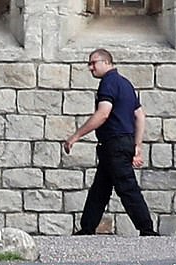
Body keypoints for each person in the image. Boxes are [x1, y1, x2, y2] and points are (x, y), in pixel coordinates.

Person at [64, 49, 158, 236]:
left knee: (127, 187)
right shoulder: (125, 84)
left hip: (114, 144)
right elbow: (139, 116)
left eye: (93, 63)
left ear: (106, 62)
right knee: (100, 188)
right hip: (118, 144)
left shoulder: (108, 83)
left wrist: (75, 136)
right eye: (89, 64)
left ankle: (148, 231)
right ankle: (87, 228)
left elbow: (103, 113)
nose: (90, 68)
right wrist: (137, 146)